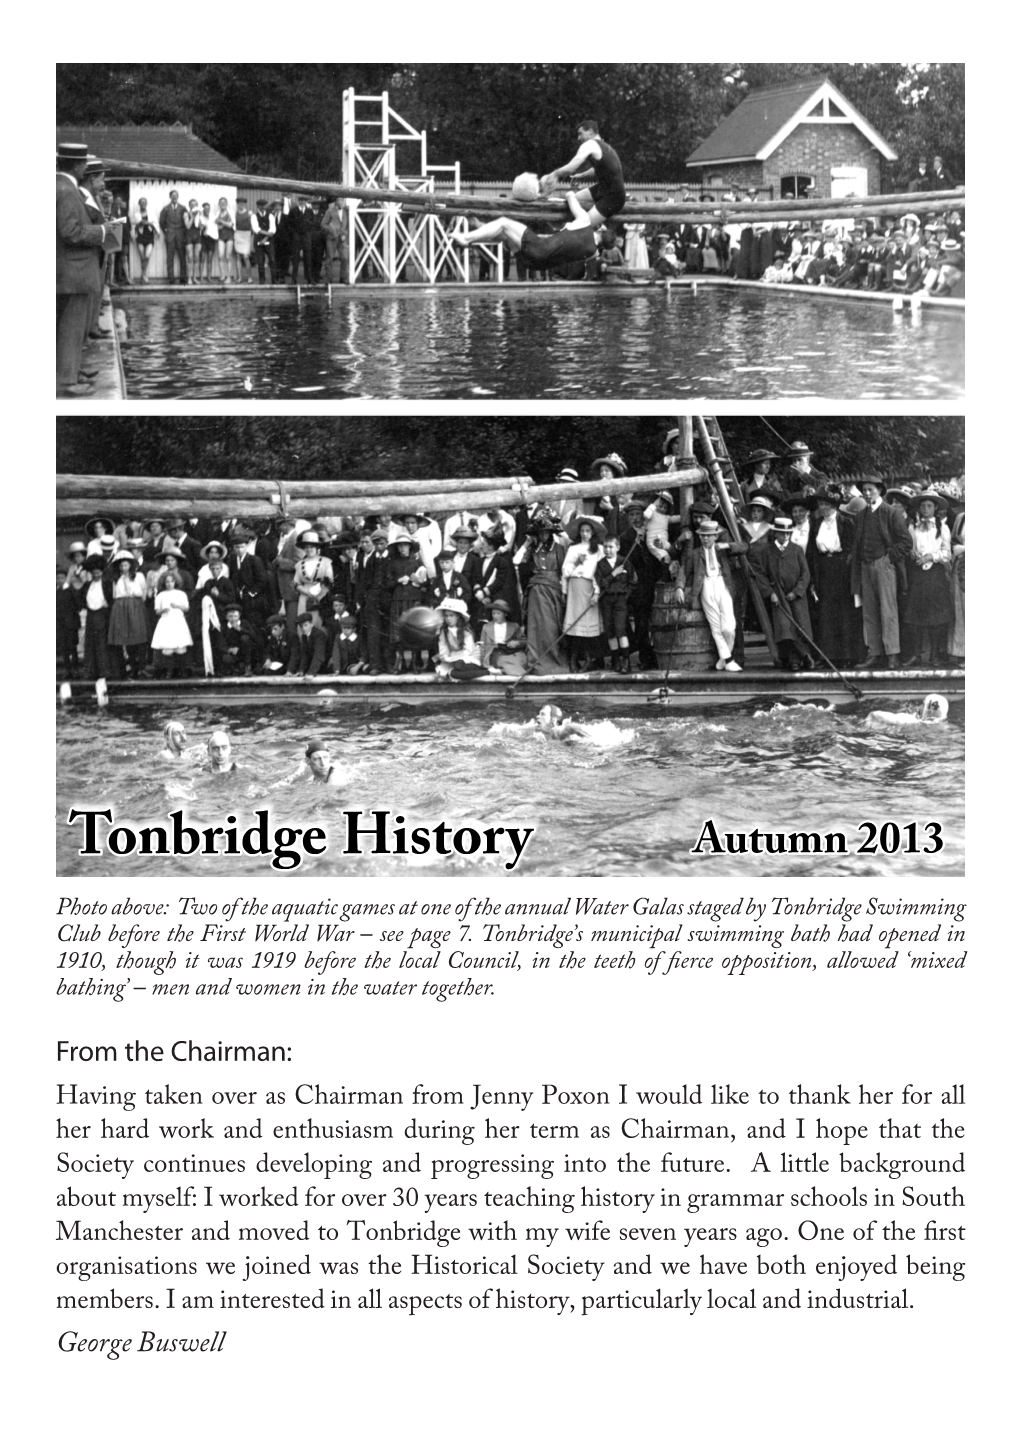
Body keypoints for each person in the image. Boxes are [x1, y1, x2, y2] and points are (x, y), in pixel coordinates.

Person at [56, 141, 109, 397]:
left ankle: (71, 371)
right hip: (72, 271)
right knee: (71, 327)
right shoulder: (66, 190)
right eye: (85, 163)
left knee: (69, 327)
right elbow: (69, 232)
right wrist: (101, 232)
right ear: (77, 165)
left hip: (69, 271)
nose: (86, 167)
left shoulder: (65, 187)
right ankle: (67, 380)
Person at [454, 190, 598, 278]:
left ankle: (466, 238)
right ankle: (479, 227)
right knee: (505, 234)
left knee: (504, 222)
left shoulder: (585, 220)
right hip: (535, 265)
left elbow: (570, 195)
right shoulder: (593, 253)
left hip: (539, 249)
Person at [851, 475, 912, 670]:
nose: (867, 494)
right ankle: (874, 653)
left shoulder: (891, 512)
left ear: (879, 490)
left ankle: (892, 654)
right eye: (865, 490)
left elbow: (906, 543)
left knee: (888, 611)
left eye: (871, 490)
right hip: (865, 566)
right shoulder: (861, 515)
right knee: (869, 612)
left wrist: (888, 557)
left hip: (884, 565)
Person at [679, 519, 746, 672]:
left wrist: (728, 545)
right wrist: (679, 587)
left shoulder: (723, 549)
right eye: (703, 536)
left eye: (709, 536)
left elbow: (744, 547)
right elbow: (684, 570)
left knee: (729, 627)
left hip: (723, 585)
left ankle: (723, 658)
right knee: (716, 627)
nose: (705, 538)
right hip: (706, 587)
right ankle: (729, 661)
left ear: (716, 536)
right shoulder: (695, 553)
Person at [748, 517, 815, 671]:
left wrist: (797, 591)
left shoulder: (796, 550)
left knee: (800, 626)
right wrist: (770, 592)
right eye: (782, 533)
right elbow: (761, 575)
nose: (785, 537)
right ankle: (797, 659)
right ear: (775, 533)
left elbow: (805, 573)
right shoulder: (767, 551)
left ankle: (801, 657)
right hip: (778, 595)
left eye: (787, 533)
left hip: (797, 596)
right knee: (785, 628)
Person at [806, 485, 861, 670]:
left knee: (844, 613)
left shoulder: (846, 523)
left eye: (827, 504)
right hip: (823, 568)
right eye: (821, 504)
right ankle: (828, 656)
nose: (823, 508)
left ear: (835, 505)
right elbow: (811, 552)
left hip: (842, 569)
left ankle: (846, 655)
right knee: (825, 613)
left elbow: (852, 548)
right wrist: (813, 578)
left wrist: (847, 564)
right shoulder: (815, 525)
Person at [539, 120, 626, 228]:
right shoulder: (605, 146)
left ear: (590, 132)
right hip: (603, 189)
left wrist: (554, 174)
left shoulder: (590, 144)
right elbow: (605, 168)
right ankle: (560, 227)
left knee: (583, 228)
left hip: (613, 197)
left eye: (580, 133)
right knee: (570, 202)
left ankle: (564, 229)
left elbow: (571, 168)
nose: (578, 138)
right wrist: (583, 175)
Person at [901, 491, 954, 668]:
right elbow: (910, 547)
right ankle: (916, 654)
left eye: (929, 506)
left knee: (935, 615)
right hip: (918, 574)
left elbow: (947, 553)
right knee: (916, 613)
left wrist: (931, 557)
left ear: (935, 508)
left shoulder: (942, 528)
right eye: (923, 506)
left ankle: (934, 655)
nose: (925, 509)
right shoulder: (913, 527)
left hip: (935, 574)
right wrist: (913, 554)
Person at [516, 511, 568, 674]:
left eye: (546, 532)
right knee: (535, 626)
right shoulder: (533, 549)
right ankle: (535, 659)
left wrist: (564, 592)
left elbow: (564, 571)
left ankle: (553, 658)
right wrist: (526, 543)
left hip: (553, 590)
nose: (543, 535)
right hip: (536, 591)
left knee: (552, 627)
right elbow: (515, 561)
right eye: (540, 532)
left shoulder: (559, 547)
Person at [561, 516, 605, 671]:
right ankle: (573, 660)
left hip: (589, 587)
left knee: (588, 626)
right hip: (575, 587)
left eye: (588, 531)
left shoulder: (599, 550)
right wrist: (577, 563)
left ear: (593, 532)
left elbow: (600, 572)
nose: (585, 534)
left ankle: (590, 659)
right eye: (582, 531)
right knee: (574, 625)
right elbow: (565, 571)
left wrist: (596, 592)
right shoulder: (573, 549)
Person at [594, 532, 637, 671]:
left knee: (621, 630)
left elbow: (633, 581)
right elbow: (601, 583)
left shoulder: (624, 562)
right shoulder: (600, 565)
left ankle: (626, 661)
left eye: (611, 547)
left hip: (620, 601)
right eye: (605, 547)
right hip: (606, 600)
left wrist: (626, 595)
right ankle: (615, 660)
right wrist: (613, 574)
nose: (607, 550)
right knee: (610, 631)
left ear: (617, 547)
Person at [107, 550, 150, 678]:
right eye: (121, 565)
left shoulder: (139, 576)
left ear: (131, 565)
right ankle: (133, 667)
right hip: (120, 607)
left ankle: (141, 667)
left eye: (126, 565)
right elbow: (115, 594)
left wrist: (135, 604)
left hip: (135, 606)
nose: (123, 568)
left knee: (139, 636)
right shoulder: (116, 579)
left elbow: (143, 592)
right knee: (126, 638)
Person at [435, 598, 489, 680]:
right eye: (446, 616)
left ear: (457, 616)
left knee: (459, 665)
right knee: (452, 672)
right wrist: (447, 658)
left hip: (469, 657)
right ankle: (487, 672)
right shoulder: (444, 631)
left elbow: (468, 650)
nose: (448, 619)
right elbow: (443, 649)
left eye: (451, 615)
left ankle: (485, 671)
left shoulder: (465, 630)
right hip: (453, 658)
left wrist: (456, 659)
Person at [150, 574, 193, 678]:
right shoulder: (161, 595)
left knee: (180, 646)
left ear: (175, 582)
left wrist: (178, 606)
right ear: (164, 583)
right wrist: (163, 610)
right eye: (167, 582)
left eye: (171, 582)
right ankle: (169, 671)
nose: (169, 584)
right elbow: (156, 611)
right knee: (168, 647)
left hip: (178, 621)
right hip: (166, 622)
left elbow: (187, 609)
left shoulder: (181, 594)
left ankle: (182, 670)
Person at [479, 598, 527, 676]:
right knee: (501, 659)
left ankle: (509, 670)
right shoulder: (486, 627)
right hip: (495, 653)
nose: (495, 616)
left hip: (510, 652)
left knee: (520, 658)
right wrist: (482, 662)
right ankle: (518, 672)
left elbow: (524, 641)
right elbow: (482, 646)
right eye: (493, 613)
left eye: (498, 613)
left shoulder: (514, 626)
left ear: (505, 614)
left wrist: (517, 643)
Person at [866, 694, 949, 729]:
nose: (919, 707)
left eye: (923, 705)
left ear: (928, 711)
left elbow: (874, 714)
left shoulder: (910, 720)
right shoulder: (945, 727)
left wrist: (868, 719)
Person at [159, 190, 189, 284]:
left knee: (182, 257)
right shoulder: (165, 209)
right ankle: (171, 278)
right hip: (170, 236)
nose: (174, 197)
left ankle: (183, 278)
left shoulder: (183, 208)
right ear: (170, 197)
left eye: (176, 195)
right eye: (173, 195)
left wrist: (183, 233)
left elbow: (186, 221)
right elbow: (161, 222)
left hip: (180, 236)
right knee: (170, 258)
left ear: (178, 196)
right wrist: (166, 231)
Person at [133, 197, 157, 283]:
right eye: (141, 203)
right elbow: (134, 226)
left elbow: (155, 224)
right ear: (139, 204)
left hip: (149, 236)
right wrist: (139, 224)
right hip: (140, 236)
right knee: (142, 257)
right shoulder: (136, 214)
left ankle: (143, 274)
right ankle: (144, 275)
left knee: (147, 256)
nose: (143, 204)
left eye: (144, 203)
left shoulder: (151, 213)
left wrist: (148, 223)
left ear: (146, 204)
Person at [214, 198, 235, 283]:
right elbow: (215, 227)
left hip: (229, 236)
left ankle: (229, 277)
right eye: (221, 202)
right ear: (219, 204)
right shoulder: (217, 213)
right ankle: (223, 275)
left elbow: (231, 225)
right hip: (221, 237)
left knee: (228, 256)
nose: (222, 204)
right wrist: (224, 224)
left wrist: (221, 222)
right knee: (220, 256)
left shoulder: (231, 212)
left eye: (224, 202)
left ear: (227, 204)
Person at [233, 199, 254, 283]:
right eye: (239, 204)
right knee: (238, 256)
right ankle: (240, 277)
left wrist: (250, 234)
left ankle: (249, 277)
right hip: (238, 234)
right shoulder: (235, 213)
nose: (241, 205)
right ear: (237, 204)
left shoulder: (249, 213)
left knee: (245, 256)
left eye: (243, 204)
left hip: (246, 235)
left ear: (245, 204)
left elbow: (253, 225)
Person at [184, 200, 203, 284]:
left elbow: (201, 227)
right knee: (190, 257)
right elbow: (187, 226)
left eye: (195, 205)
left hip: (197, 236)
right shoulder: (186, 214)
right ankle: (189, 278)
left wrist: (199, 218)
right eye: (191, 205)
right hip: (189, 236)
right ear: (189, 205)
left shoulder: (199, 213)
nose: (193, 206)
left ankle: (194, 277)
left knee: (196, 257)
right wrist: (192, 216)